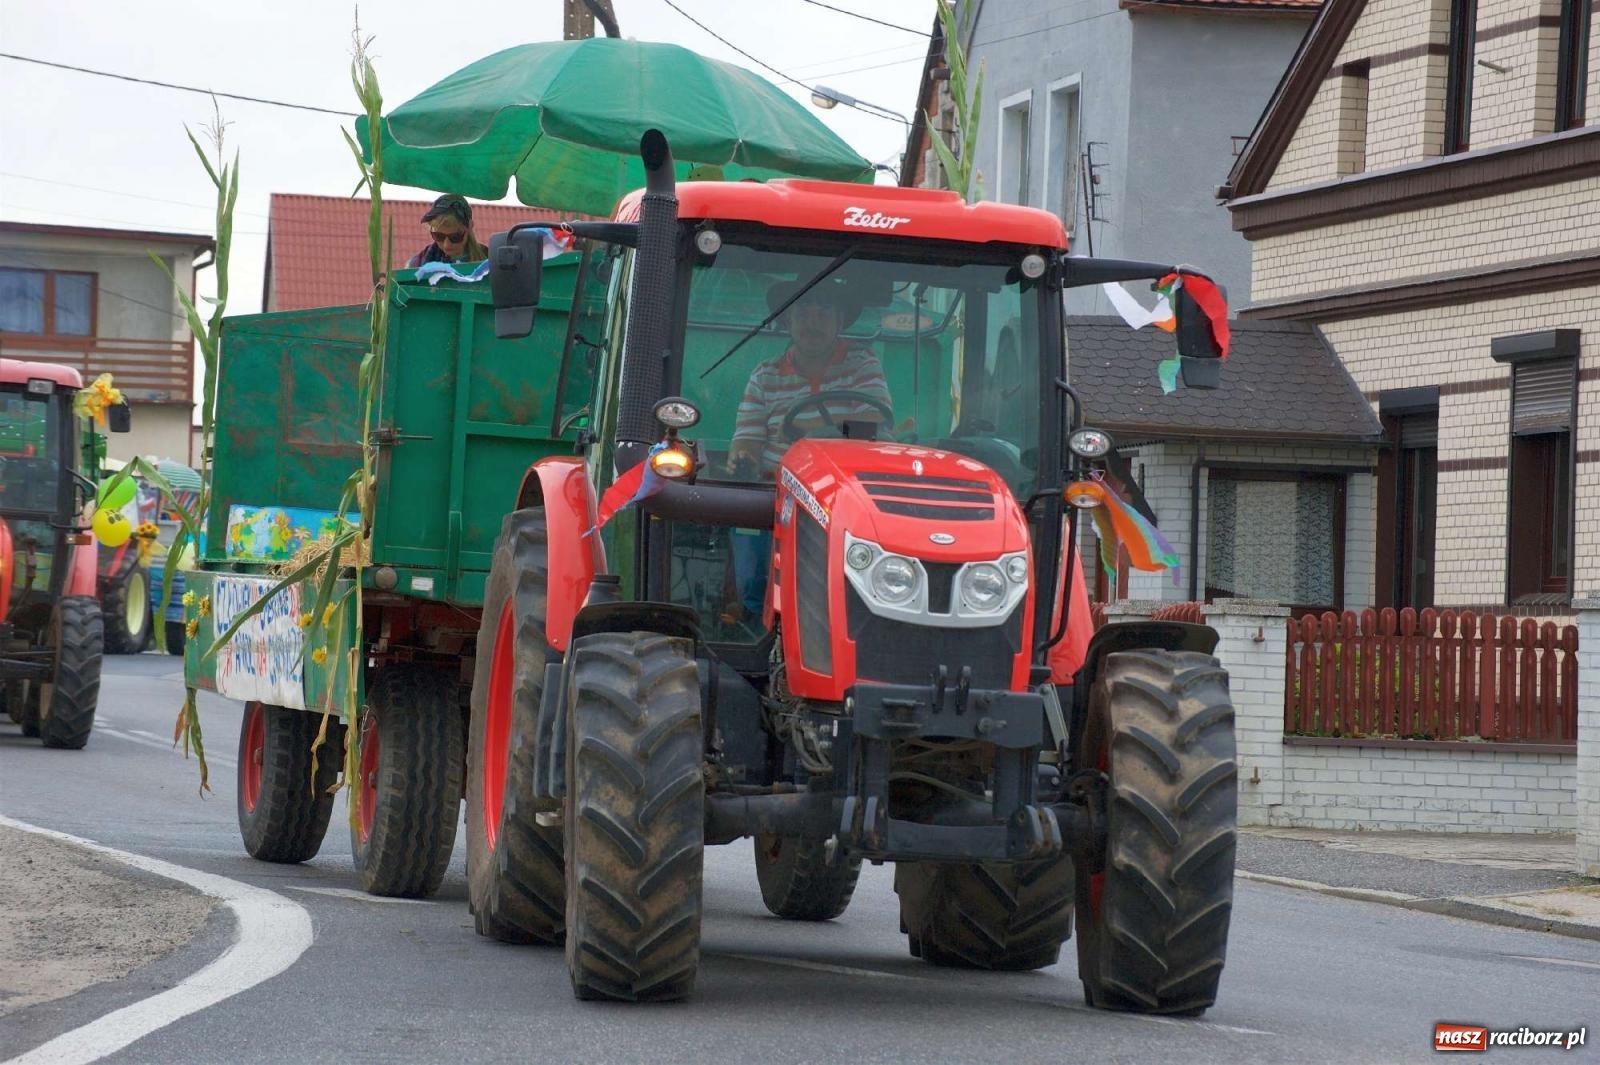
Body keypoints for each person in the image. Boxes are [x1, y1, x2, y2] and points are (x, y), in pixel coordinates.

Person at [726, 278, 892, 478]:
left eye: (823, 314)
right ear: (788, 321)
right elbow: (747, 439)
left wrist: (810, 429)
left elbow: (874, 426)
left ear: (839, 322)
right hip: (775, 489)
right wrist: (743, 458)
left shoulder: (861, 363)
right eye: (803, 313)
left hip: (844, 487)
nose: (812, 324)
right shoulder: (764, 376)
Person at [405, 194, 488, 268]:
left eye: (455, 237)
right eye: (438, 236)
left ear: (470, 227)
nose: (446, 245)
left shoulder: (491, 260)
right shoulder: (416, 265)